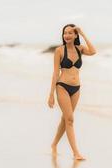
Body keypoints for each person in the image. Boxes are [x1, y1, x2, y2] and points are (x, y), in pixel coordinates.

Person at [47, 24, 96, 160]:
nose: (67, 35)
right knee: (70, 119)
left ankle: (54, 144)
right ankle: (76, 153)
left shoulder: (80, 49)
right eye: (65, 33)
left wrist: (83, 34)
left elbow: (93, 51)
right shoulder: (59, 51)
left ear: (75, 35)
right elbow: (55, 72)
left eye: (70, 33)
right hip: (62, 86)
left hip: (76, 88)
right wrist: (51, 94)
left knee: (66, 119)